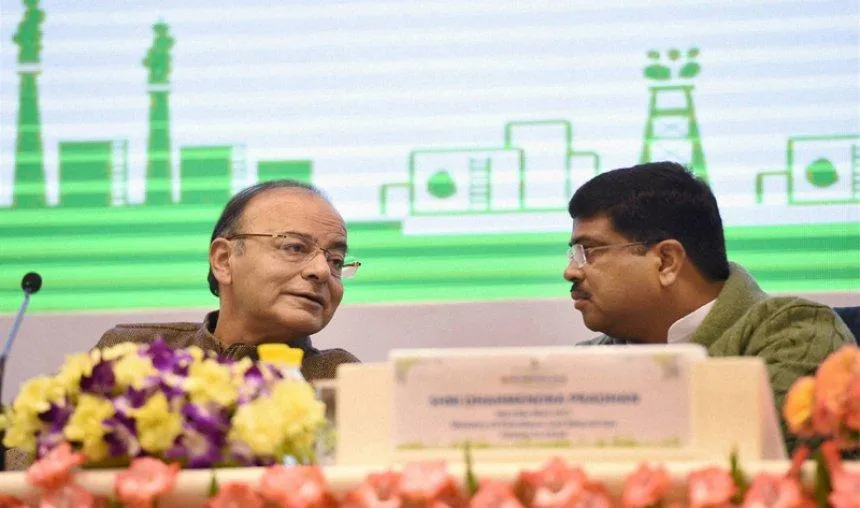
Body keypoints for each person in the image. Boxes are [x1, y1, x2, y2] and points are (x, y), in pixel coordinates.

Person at [564, 161, 853, 451]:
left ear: (666, 261)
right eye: (573, 255)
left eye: (588, 252)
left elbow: (744, 457)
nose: (571, 271)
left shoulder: (798, 333)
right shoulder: (582, 363)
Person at [97, 179, 361, 381]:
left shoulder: (342, 379)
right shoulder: (132, 354)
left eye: (336, 261)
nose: (322, 270)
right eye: (294, 247)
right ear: (223, 260)